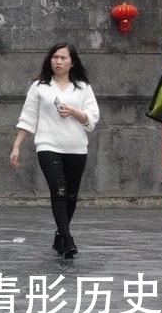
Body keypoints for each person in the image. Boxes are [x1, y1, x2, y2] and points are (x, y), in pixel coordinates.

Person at [9, 42, 98, 259]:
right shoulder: (40, 87)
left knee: (71, 194)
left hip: (76, 147)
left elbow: (92, 117)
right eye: (55, 57)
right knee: (58, 190)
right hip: (48, 145)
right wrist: (17, 145)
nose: (58, 61)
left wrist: (76, 112)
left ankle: (60, 234)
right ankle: (67, 239)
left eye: (63, 58)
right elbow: (28, 117)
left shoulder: (83, 88)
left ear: (72, 62)